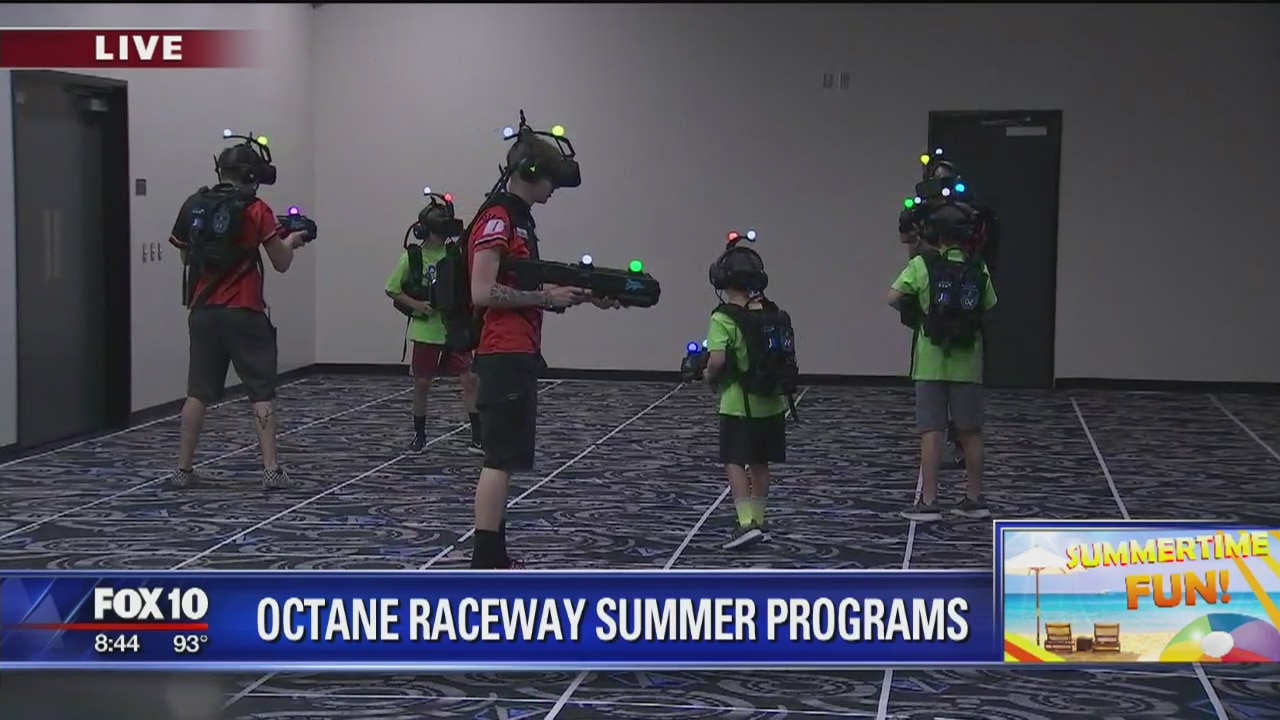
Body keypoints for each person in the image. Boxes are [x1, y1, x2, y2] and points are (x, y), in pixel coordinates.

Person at [465, 126, 616, 569]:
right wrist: (545, 298)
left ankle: (495, 557)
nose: (553, 190)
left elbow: (524, 282)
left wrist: (583, 294)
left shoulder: (518, 219)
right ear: (530, 173)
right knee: (499, 459)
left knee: (505, 459)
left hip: (516, 350)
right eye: (551, 179)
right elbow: (482, 291)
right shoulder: (498, 219)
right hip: (503, 350)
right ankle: (485, 561)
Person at [167, 134, 310, 489]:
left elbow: (185, 256)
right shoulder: (256, 209)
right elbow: (280, 262)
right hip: (244, 310)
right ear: (251, 175)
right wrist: (292, 241)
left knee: (198, 391)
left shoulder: (194, 204)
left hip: (202, 310)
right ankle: (271, 470)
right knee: (261, 392)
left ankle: (182, 469)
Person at [889, 203, 997, 521]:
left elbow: (892, 297)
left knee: (931, 431)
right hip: (969, 361)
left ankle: (929, 502)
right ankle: (974, 499)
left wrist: (918, 311)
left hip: (930, 361)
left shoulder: (922, 265)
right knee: (970, 432)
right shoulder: (979, 268)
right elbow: (990, 304)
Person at [898, 156, 999, 469]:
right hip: (930, 295)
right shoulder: (923, 213)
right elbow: (906, 237)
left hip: (964, 297)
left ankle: (960, 439)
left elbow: (985, 244)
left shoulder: (970, 213)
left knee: (965, 394)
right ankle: (941, 439)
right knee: (931, 388)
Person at [702, 236, 794, 549]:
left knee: (734, 461)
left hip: (738, 405)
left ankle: (744, 524)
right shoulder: (772, 312)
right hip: (773, 404)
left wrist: (706, 376)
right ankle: (758, 520)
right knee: (760, 463)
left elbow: (717, 361)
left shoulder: (723, 317)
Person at [384, 199, 483, 454]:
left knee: (470, 379)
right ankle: (419, 434)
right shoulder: (413, 258)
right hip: (426, 329)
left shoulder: (455, 255)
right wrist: (416, 304)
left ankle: (478, 436)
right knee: (422, 383)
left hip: (453, 327)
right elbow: (392, 288)